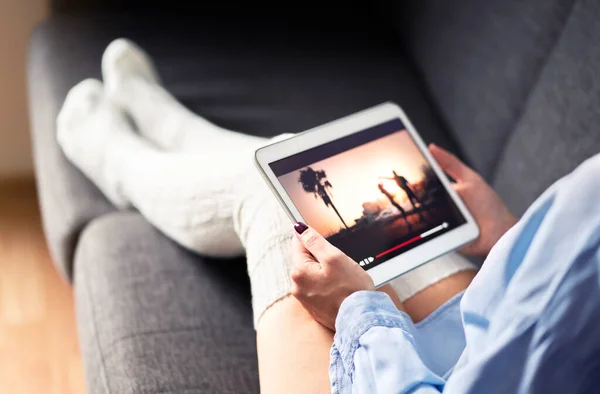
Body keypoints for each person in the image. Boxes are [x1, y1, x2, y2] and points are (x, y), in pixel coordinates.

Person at [57, 39, 600, 393]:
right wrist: (509, 238)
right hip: (484, 332)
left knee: (277, 197)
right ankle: (173, 132)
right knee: (290, 165)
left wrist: (358, 310)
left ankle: (127, 165)